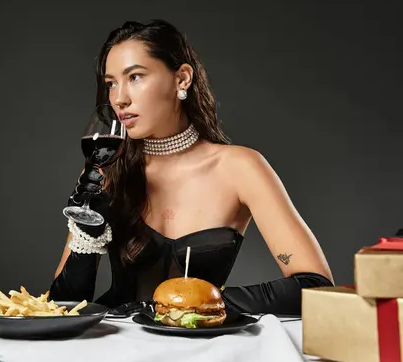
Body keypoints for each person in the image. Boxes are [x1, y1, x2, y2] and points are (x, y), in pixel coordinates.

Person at [49, 19, 334, 316]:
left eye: (135, 77)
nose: (119, 98)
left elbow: (316, 287)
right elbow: (60, 308)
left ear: (182, 79)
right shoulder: (108, 170)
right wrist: (87, 238)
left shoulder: (240, 167)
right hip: (118, 348)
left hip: (202, 351)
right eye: (111, 83)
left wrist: (199, 303)